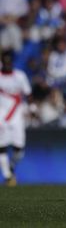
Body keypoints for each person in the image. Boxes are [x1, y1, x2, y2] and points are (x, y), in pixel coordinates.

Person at [0, 51, 32, 186]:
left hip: (17, 116)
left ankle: (11, 168)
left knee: (19, 149)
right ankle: (8, 177)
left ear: (12, 62)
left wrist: (32, 108)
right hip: (1, 116)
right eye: (5, 61)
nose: (7, 64)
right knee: (2, 147)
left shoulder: (20, 76)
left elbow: (28, 93)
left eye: (9, 61)